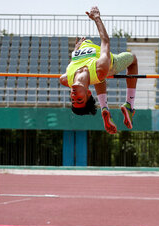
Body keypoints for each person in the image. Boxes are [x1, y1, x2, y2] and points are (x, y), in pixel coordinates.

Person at [59, 6, 138, 134]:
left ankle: (104, 108)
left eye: (73, 99)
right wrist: (97, 18)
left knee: (96, 77)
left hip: (86, 54)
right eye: (79, 99)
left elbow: (73, 64)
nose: (74, 96)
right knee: (133, 59)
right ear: (88, 93)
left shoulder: (65, 79)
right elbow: (105, 42)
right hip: (110, 62)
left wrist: (75, 50)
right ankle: (129, 104)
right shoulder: (101, 68)